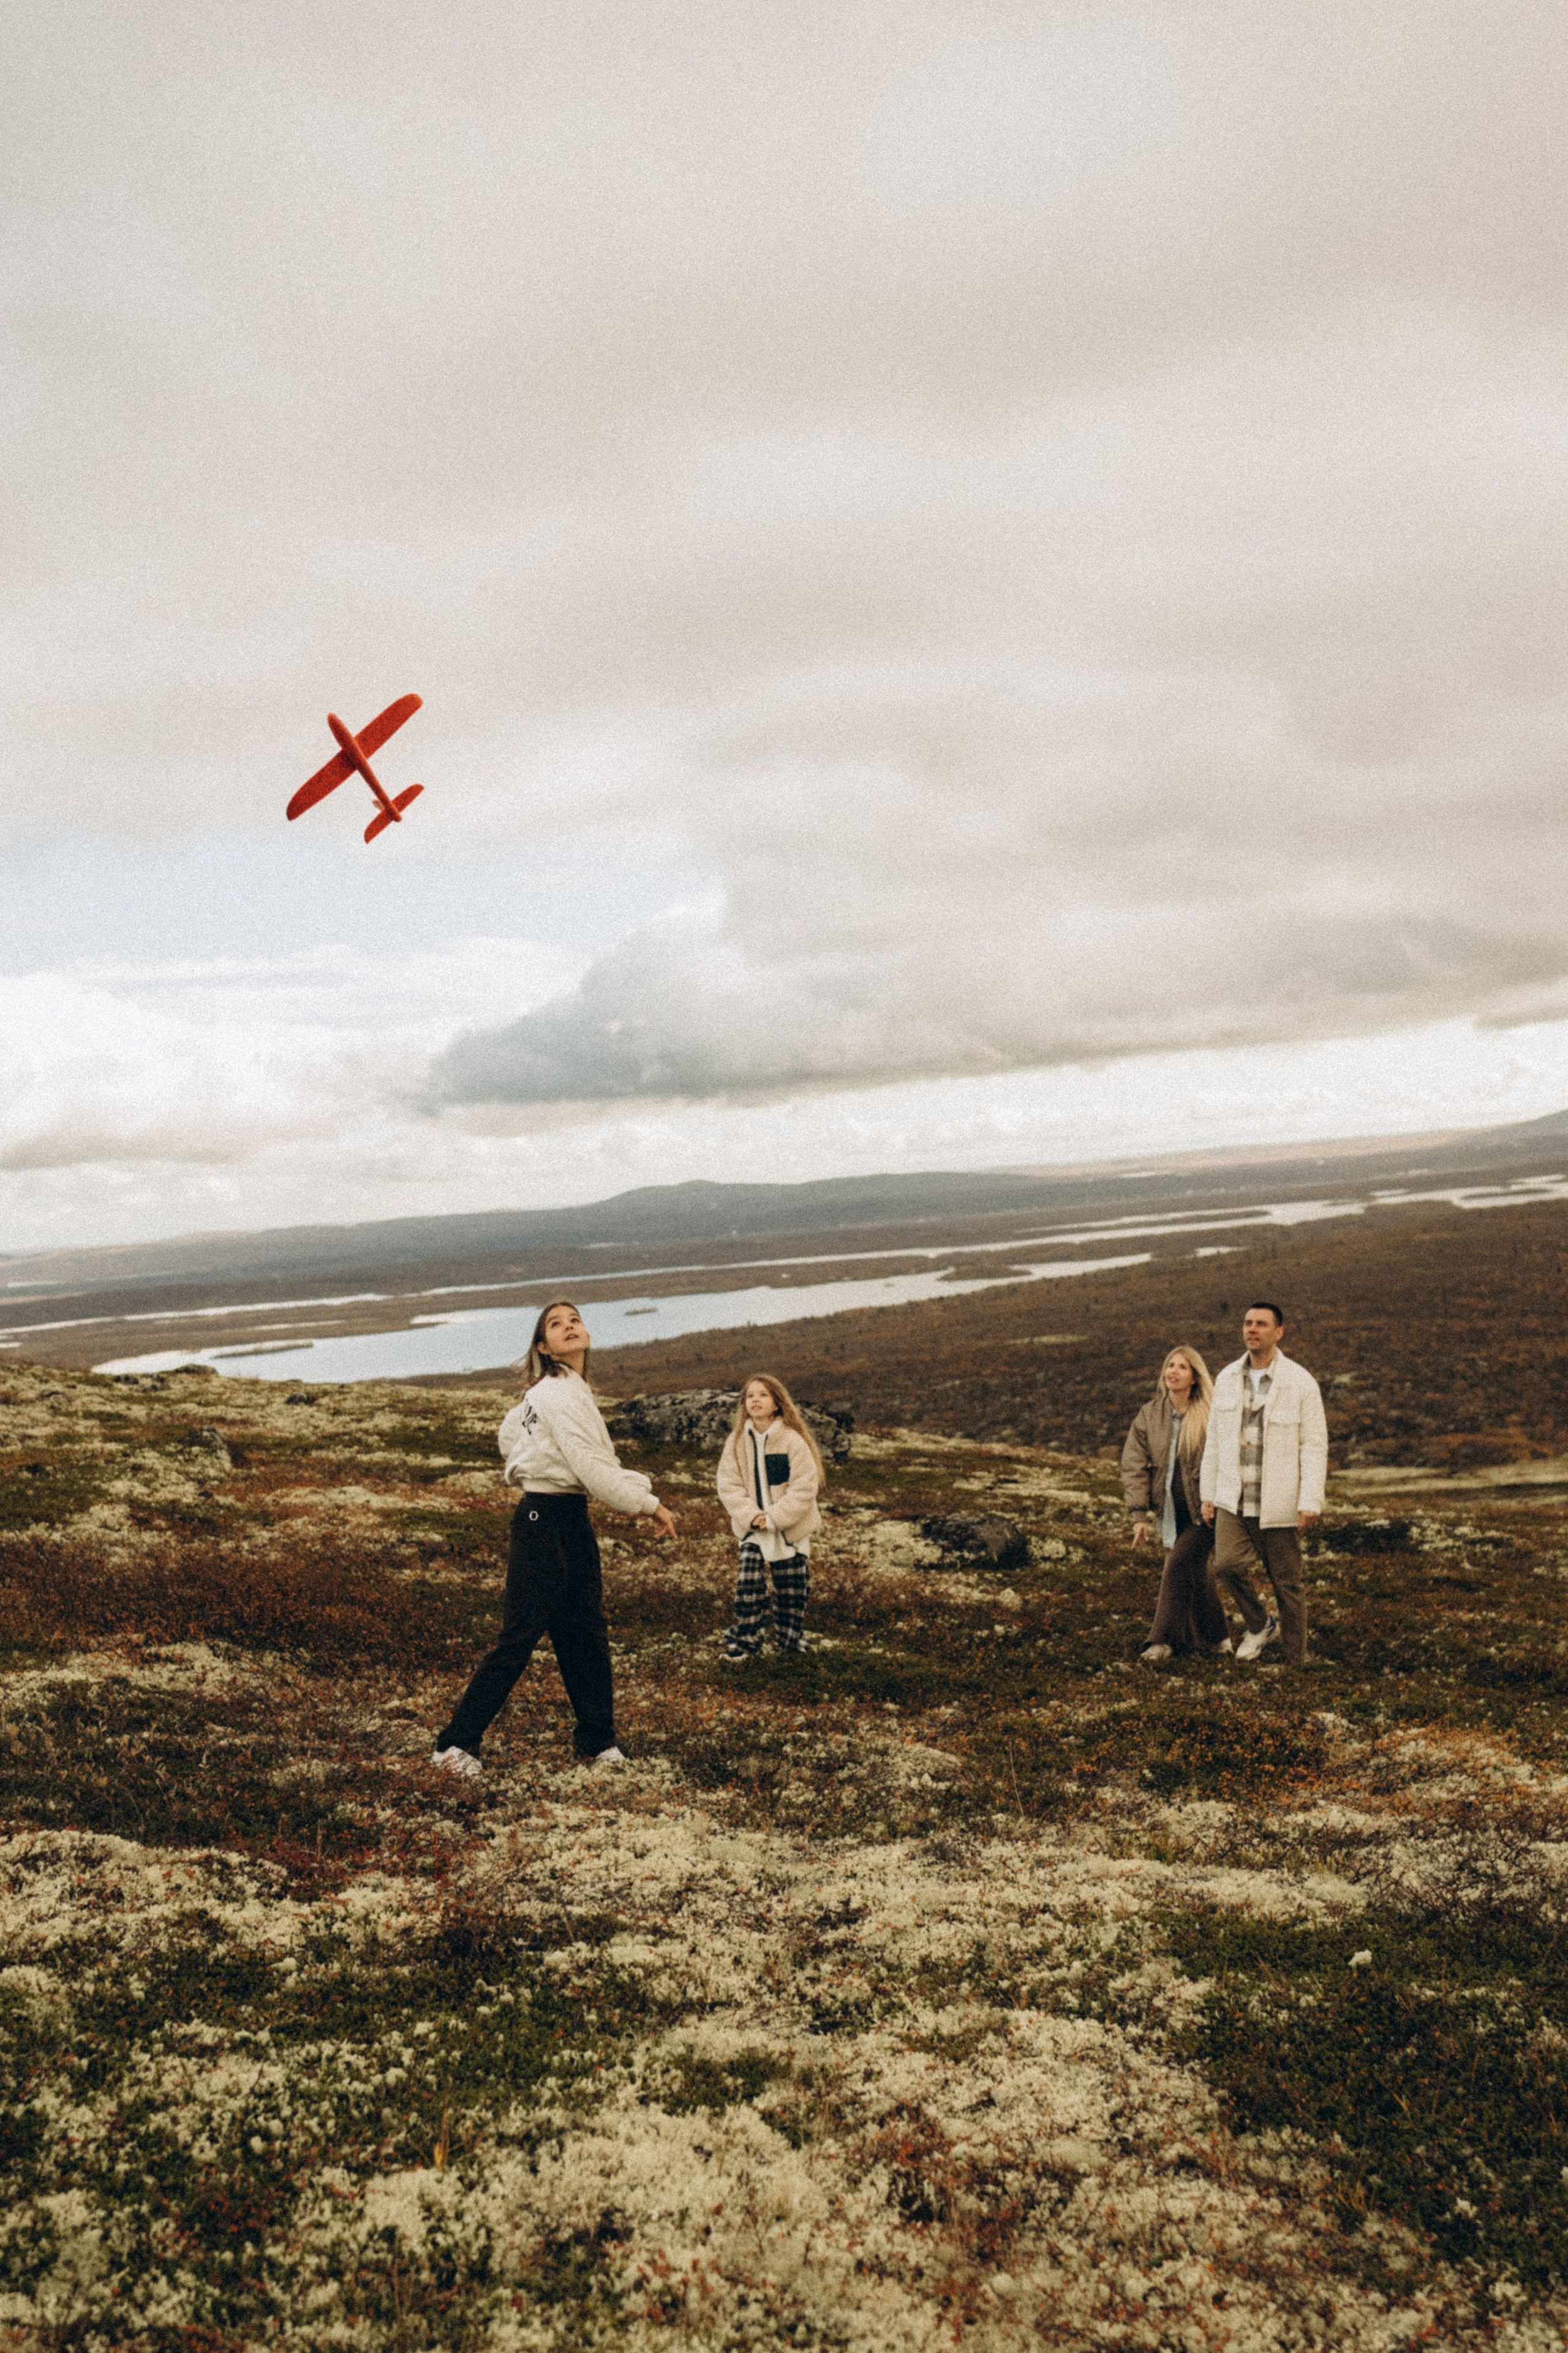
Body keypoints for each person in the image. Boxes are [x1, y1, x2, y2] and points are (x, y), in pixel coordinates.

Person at [431, 1301, 677, 1777]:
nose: (569, 1326)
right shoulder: (559, 1393)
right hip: (544, 1519)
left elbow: (512, 1434)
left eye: (575, 1319)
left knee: (584, 1631)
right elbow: (590, 1468)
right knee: (519, 1636)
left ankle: (596, 1741)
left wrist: (538, 1460)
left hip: (567, 1515)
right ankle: (453, 1745)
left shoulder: (560, 1391)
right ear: (543, 1346)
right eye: (556, 1324)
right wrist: (649, 1503)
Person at [1199, 1301, 1327, 1666]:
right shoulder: (1225, 1378)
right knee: (1225, 1566)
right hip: (1234, 1499)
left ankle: (1294, 1661)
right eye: (1247, 1323)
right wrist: (1209, 1495)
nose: (1251, 1329)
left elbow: (1314, 1446)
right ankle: (1261, 1623)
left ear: (1279, 1332)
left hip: (1279, 1503)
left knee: (1288, 1584)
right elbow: (1214, 1443)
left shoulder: (1300, 1382)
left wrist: (1310, 1501)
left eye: (1261, 1324)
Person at [1121, 1345, 1230, 1663]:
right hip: (1169, 1512)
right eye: (1170, 1365)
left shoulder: (1210, 1414)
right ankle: (1216, 1639)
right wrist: (1139, 1514)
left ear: (1195, 1377)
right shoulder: (1149, 1415)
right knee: (1196, 1569)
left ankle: (1162, 1641)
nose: (1174, 1371)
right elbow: (1134, 1465)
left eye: (1183, 1367)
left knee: (1178, 1565)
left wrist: (1218, 1500)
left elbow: (1225, 1460)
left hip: (1206, 1512)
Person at [715, 1373, 823, 1658]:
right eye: (750, 1396)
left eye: (763, 1395)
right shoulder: (737, 1441)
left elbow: (804, 1487)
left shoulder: (792, 1440)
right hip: (752, 1529)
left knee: (792, 1590)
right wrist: (751, 1516)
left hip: (790, 1529)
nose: (756, 1401)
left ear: (777, 1402)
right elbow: (728, 1484)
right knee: (748, 1588)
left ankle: (791, 1642)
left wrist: (774, 1517)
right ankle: (746, 1642)